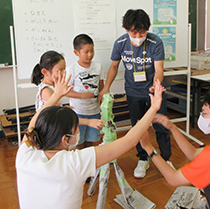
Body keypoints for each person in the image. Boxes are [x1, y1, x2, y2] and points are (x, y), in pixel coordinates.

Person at [16, 71, 166, 209]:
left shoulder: (25, 154)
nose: (78, 133)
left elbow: (33, 124)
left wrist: (56, 96)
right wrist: (153, 108)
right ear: (65, 139)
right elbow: (129, 141)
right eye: (76, 130)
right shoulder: (75, 162)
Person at [99, 9, 172, 178]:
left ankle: (166, 159)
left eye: (142, 31)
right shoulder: (121, 43)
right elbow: (114, 66)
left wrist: (156, 85)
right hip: (133, 92)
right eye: (134, 32)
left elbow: (159, 69)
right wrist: (106, 87)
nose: (139, 36)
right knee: (138, 127)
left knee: (161, 125)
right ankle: (143, 158)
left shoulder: (155, 42)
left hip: (154, 92)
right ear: (126, 29)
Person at [31, 50, 104, 130]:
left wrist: (64, 107)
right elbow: (61, 117)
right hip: (50, 132)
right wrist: (88, 122)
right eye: (60, 70)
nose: (64, 73)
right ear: (45, 72)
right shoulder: (46, 91)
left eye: (64, 69)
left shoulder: (51, 87)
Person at [66, 34, 104, 149]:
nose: (90, 54)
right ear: (76, 53)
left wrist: (102, 100)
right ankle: (82, 165)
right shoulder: (71, 69)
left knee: (92, 141)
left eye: (92, 51)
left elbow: (101, 87)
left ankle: (91, 164)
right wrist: (83, 95)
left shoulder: (98, 66)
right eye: (86, 52)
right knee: (79, 142)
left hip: (94, 112)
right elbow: (65, 91)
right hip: (78, 113)